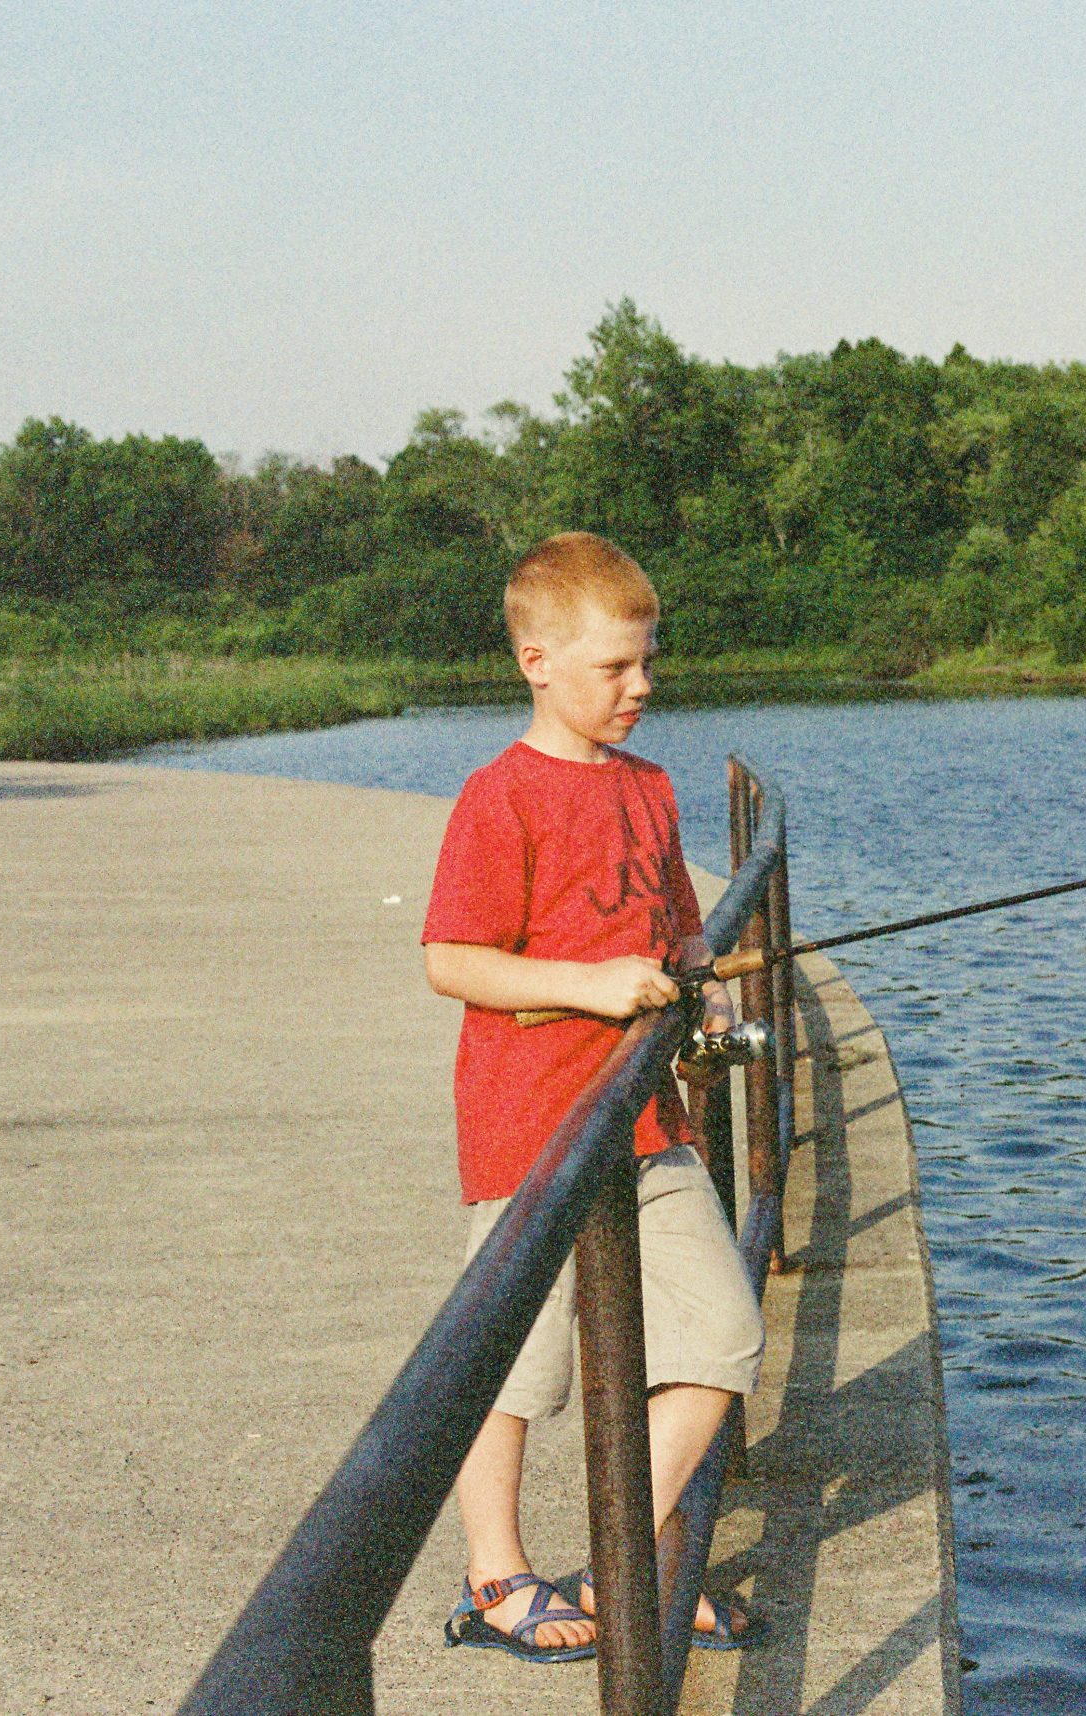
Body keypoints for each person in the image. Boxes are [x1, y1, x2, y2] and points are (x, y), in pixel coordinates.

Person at [421, 530, 765, 1662]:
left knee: (720, 1337)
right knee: (514, 1371)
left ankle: (616, 1563)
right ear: (536, 661)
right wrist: (588, 985)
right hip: (533, 1130)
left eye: (647, 662)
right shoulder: (500, 798)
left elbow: (673, 935)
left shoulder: (651, 790)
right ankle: (496, 1578)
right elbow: (454, 961)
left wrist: (700, 998)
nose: (641, 687)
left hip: (648, 1125)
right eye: (615, 667)